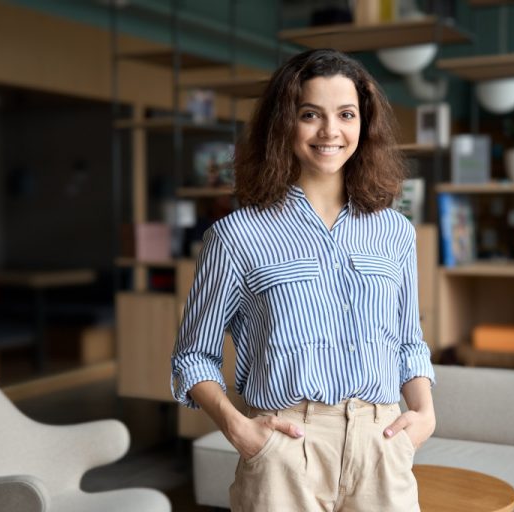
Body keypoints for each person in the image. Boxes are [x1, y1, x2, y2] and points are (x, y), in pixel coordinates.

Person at [171, 48, 436, 512]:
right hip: (284, 449)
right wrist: (239, 429)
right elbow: (193, 356)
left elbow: (408, 342)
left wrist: (425, 415)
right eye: (310, 114)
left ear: (364, 125)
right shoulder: (236, 236)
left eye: (346, 114)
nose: (330, 131)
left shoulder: (394, 231)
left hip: (382, 443)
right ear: (283, 124)